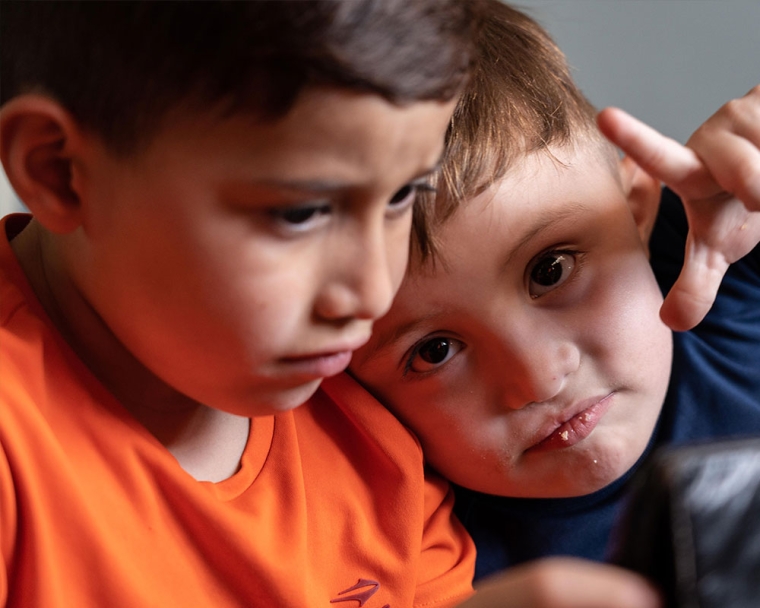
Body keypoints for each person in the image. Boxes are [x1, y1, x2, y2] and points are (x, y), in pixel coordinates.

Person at [0, 2, 485, 606]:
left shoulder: (374, 430)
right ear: (59, 171)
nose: (371, 294)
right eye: (299, 212)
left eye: (403, 196)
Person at [348, 0, 760, 585]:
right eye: (435, 350)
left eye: (551, 270)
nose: (538, 379)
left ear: (638, 208)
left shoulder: (720, 262)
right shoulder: (427, 561)